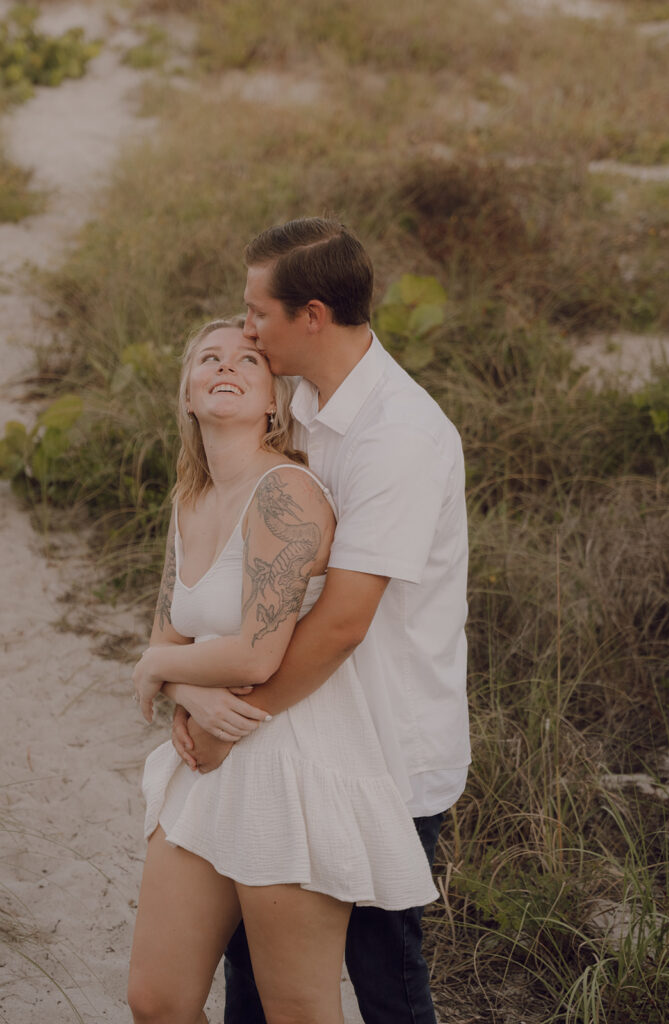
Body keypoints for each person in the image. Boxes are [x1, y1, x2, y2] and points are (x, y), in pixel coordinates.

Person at [170, 218, 471, 1024]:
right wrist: (198, 691)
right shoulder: (296, 403)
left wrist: (235, 718)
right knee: (254, 966)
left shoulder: (399, 438)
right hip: (290, 737)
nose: (243, 330)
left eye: (256, 314)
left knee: (383, 975)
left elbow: (341, 622)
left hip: (384, 745)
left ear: (310, 316)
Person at [127, 315, 439, 1024]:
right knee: (157, 1000)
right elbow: (169, 633)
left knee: (297, 1008)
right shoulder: (191, 500)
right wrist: (184, 688)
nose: (226, 365)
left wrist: (157, 668)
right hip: (208, 760)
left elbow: (258, 653)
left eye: (247, 357)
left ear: (274, 400)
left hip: (290, 760)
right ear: (187, 393)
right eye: (208, 357)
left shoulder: (285, 494)